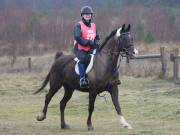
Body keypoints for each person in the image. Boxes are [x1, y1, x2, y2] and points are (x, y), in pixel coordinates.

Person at [74, 6, 100, 88]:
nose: (88, 15)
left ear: (91, 15)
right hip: (81, 49)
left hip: (92, 49)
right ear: (82, 15)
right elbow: (78, 37)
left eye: (89, 14)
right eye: (86, 14)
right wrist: (88, 42)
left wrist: (96, 43)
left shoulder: (94, 25)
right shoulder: (78, 25)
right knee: (83, 60)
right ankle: (82, 79)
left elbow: (97, 37)